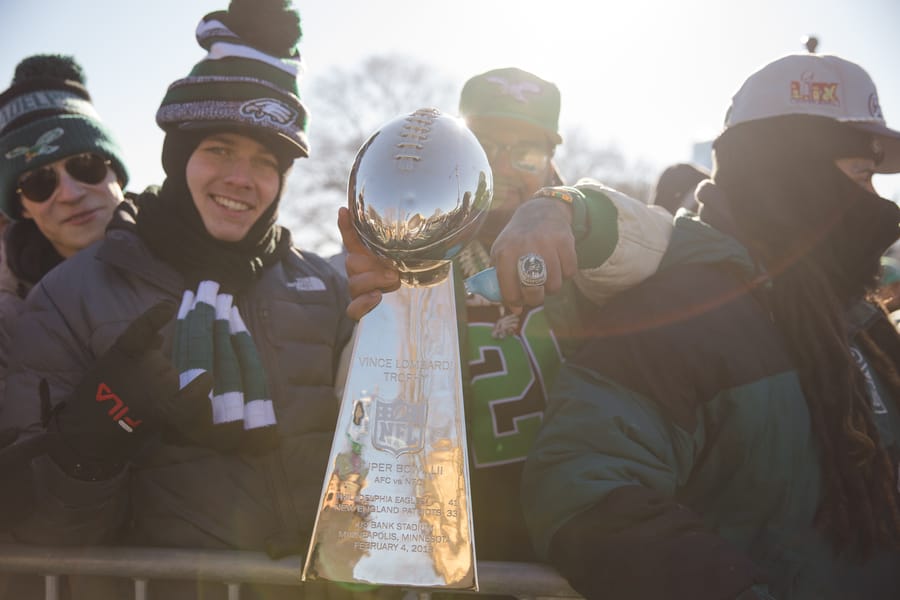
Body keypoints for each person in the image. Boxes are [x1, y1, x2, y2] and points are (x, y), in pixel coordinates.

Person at [0, 2, 378, 599]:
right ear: (178, 160)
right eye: (219, 150)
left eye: (266, 162)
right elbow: (35, 532)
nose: (241, 178)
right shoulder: (70, 297)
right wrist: (93, 441)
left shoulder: (323, 289)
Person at [521, 53, 900, 600]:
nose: (877, 204)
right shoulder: (677, 315)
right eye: (861, 176)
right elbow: (582, 491)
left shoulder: (859, 320)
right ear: (793, 173)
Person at [341, 66, 674, 570]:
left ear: (551, 161)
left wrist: (564, 209)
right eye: (486, 145)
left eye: (528, 153)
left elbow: (663, 241)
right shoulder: (418, 247)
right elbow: (357, 416)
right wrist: (383, 318)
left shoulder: (586, 230)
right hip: (458, 544)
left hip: (577, 536)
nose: (505, 166)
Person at [0, 54, 128, 325]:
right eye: (39, 183)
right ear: (21, 206)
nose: (71, 194)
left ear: (116, 172)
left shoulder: (196, 255)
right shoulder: (10, 323)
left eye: (85, 165)